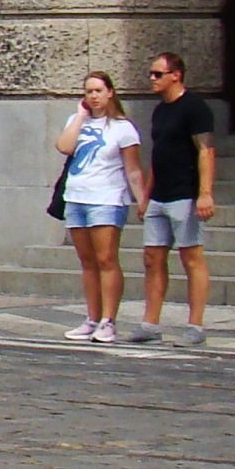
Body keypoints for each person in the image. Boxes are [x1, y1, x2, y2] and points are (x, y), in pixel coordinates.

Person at [53, 69, 147, 342]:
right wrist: (80, 116)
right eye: (88, 92)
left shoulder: (122, 128)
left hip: (107, 199)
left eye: (98, 91)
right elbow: (64, 146)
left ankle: (108, 320)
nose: (93, 96)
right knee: (87, 261)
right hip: (77, 197)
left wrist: (141, 200)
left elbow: (133, 169)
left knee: (106, 259)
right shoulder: (76, 120)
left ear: (110, 93)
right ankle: (92, 317)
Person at [133, 52, 217, 346]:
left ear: (175, 75)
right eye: (152, 74)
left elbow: (205, 150)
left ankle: (195, 325)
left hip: (185, 194)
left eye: (158, 74)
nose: (152, 79)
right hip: (160, 194)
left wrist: (204, 193)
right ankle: (150, 322)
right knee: (152, 257)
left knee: (191, 257)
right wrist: (146, 195)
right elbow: (158, 154)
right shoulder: (159, 111)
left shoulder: (194, 108)